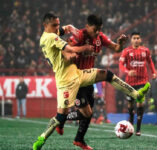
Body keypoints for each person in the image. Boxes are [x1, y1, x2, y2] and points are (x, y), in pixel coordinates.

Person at [33, 12, 150, 150]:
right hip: (67, 81)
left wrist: (69, 27)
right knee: (61, 117)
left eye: (58, 25)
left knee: (106, 75)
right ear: (45, 25)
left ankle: (136, 94)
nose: (57, 28)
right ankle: (42, 139)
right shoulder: (55, 37)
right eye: (54, 25)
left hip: (80, 74)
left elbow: (63, 32)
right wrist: (81, 50)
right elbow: (68, 50)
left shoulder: (56, 34)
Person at [58, 14, 130, 150]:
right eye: (94, 29)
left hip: (89, 78)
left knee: (88, 114)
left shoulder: (100, 37)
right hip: (76, 79)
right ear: (87, 26)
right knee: (87, 113)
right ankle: (61, 119)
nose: (97, 32)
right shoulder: (78, 36)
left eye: (99, 29)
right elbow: (64, 52)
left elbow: (116, 48)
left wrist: (120, 43)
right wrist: (76, 53)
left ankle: (78, 139)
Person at [119, 32, 157, 136]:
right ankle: (131, 123)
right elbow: (121, 65)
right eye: (134, 38)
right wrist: (127, 71)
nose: (136, 40)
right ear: (131, 40)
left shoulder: (145, 50)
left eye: (138, 38)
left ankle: (138, 129)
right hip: (130, 82)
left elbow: (150, 62)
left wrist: (154, 72)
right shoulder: (126, 51)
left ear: (140, 40)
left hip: (142, 81)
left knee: (140, 103)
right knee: (130, 104)